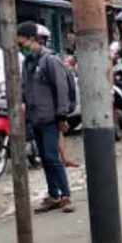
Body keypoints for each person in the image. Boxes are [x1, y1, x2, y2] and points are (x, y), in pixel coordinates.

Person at [16, 21, 75, 214]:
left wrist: (62, 115)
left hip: (50, 117)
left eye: (22, 43)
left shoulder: (50, 60)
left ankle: (66, 195)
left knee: (52, 157)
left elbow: (62, 89)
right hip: (36, 117)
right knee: (44, 158)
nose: (20, 48)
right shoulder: (27, 63)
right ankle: (54, 195)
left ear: (33, 40)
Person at [37, 24, 80, 170]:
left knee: (57, 131)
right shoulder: (29, 60)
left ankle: (63, 158)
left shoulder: (50, 59)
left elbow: (61, 86)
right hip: (37, 105)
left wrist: (62, 112)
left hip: (50, 105)